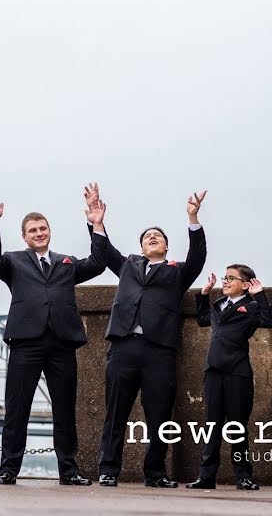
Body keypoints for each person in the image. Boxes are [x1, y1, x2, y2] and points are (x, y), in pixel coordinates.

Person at [0, 190, 106, 486]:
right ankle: (8, 469)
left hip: (62, 343)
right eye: (33, 231)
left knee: (64, 408)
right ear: (24, 237)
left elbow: (99, 262)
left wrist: (97, 224)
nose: (39, 233)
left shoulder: (67, 262)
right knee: (17, 408)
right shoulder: (13, 261)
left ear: (49, 232)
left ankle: (69, 469)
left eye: (43, 229)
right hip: (26, 342)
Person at [92, 187, 208, 488]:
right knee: (115, 412)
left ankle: (155, 473)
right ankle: (107, 470)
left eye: (157, 236)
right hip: (124, 346)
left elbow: (197, 258)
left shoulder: (177, 272)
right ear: (142, 248)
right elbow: (105, 253)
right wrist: (97, 224)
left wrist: (193, 218)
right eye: (147, 237)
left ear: (167, 247)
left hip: (159, 351)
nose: (152, 238)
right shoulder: (129, 265)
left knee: (159, 415)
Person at [186, 266, 272, 491]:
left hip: (237, 372)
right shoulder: (218, 305)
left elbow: (270, 320)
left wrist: (260, 295)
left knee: (237, 426)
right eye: (224, 278)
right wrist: (204, 294)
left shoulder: (252, 306)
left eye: (230, 278)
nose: (224, 281)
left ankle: (243, 476)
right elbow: (203, 319)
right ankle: (206, 476)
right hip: (213, 371)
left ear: (245, 285)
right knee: (212, 425)